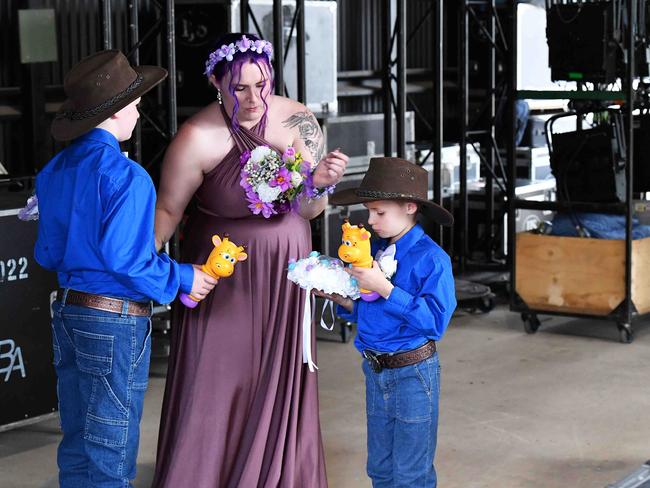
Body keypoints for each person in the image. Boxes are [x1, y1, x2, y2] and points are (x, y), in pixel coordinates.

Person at [152, 33, 348, 487]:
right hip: (221, 275)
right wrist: (139, 272)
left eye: (262, 84)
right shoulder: (195, 136)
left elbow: (309, 209)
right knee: (213, 379)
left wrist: (318, 183)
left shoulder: (298, 120)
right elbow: (168, 211)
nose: (254, 97)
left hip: (286, 269)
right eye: (239, 87)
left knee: (279, 379)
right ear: (216, 83)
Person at [34, 50, 217, 487]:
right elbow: (127, 260)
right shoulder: (127, 175)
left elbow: (47, 254)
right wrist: (184, 277)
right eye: (134, 102)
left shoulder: (53, 171)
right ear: (116, 111)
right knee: (111, 447)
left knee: (78, 437)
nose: (139, 109)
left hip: (69, 313)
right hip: (111, 318)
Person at [324, 157, 456, 488]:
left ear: (410, 207)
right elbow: (369, 312)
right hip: (376, 370)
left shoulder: (433, 259)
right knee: (381, 468)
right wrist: (341, 297)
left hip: (413, 374)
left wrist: (384, 287)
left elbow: (434, 322)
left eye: (379, 213)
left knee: (411, 473)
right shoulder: (377, 252)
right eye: (368, 211)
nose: (370, 220)